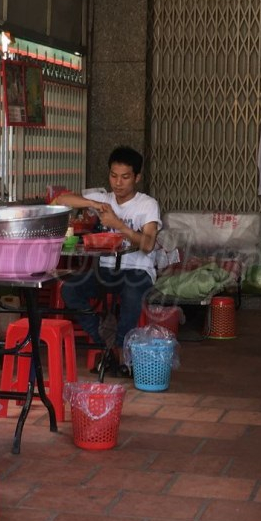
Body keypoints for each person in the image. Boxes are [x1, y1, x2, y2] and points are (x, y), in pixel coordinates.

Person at [51, 146, 162, 377]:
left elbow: (148, 244)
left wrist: (118, 225)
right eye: (113, 176)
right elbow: (60, 200)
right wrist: (92, 204)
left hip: (137, 270)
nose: (118, 183)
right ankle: (105, 343)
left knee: (131, 293)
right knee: (70, 290)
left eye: (125, 177)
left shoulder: (147, 204)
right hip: (105, 270)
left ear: (137, 177)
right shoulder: (104, 198)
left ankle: (120, 350)